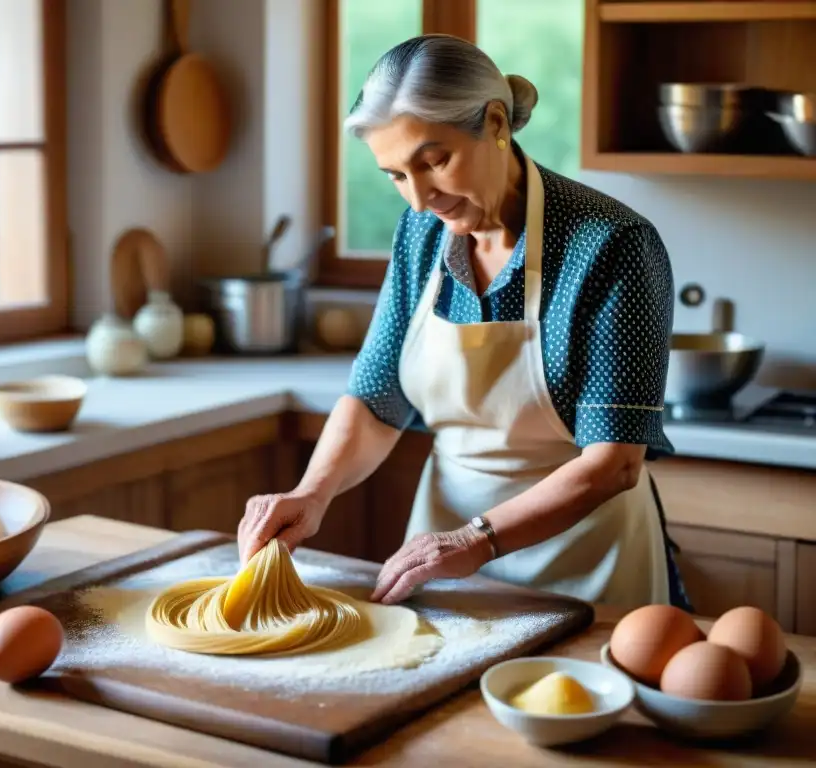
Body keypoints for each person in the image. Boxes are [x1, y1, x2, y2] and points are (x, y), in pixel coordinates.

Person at [237, 34, 691, 612]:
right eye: (396, 175)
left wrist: (476, 540)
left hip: (586, 561)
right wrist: (312, 492)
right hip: (441, 556)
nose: (421, 199)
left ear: (496, 123)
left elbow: (614, 463)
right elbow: (377, 401)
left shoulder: (611, 245)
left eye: (434, 161)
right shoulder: (421, 235)